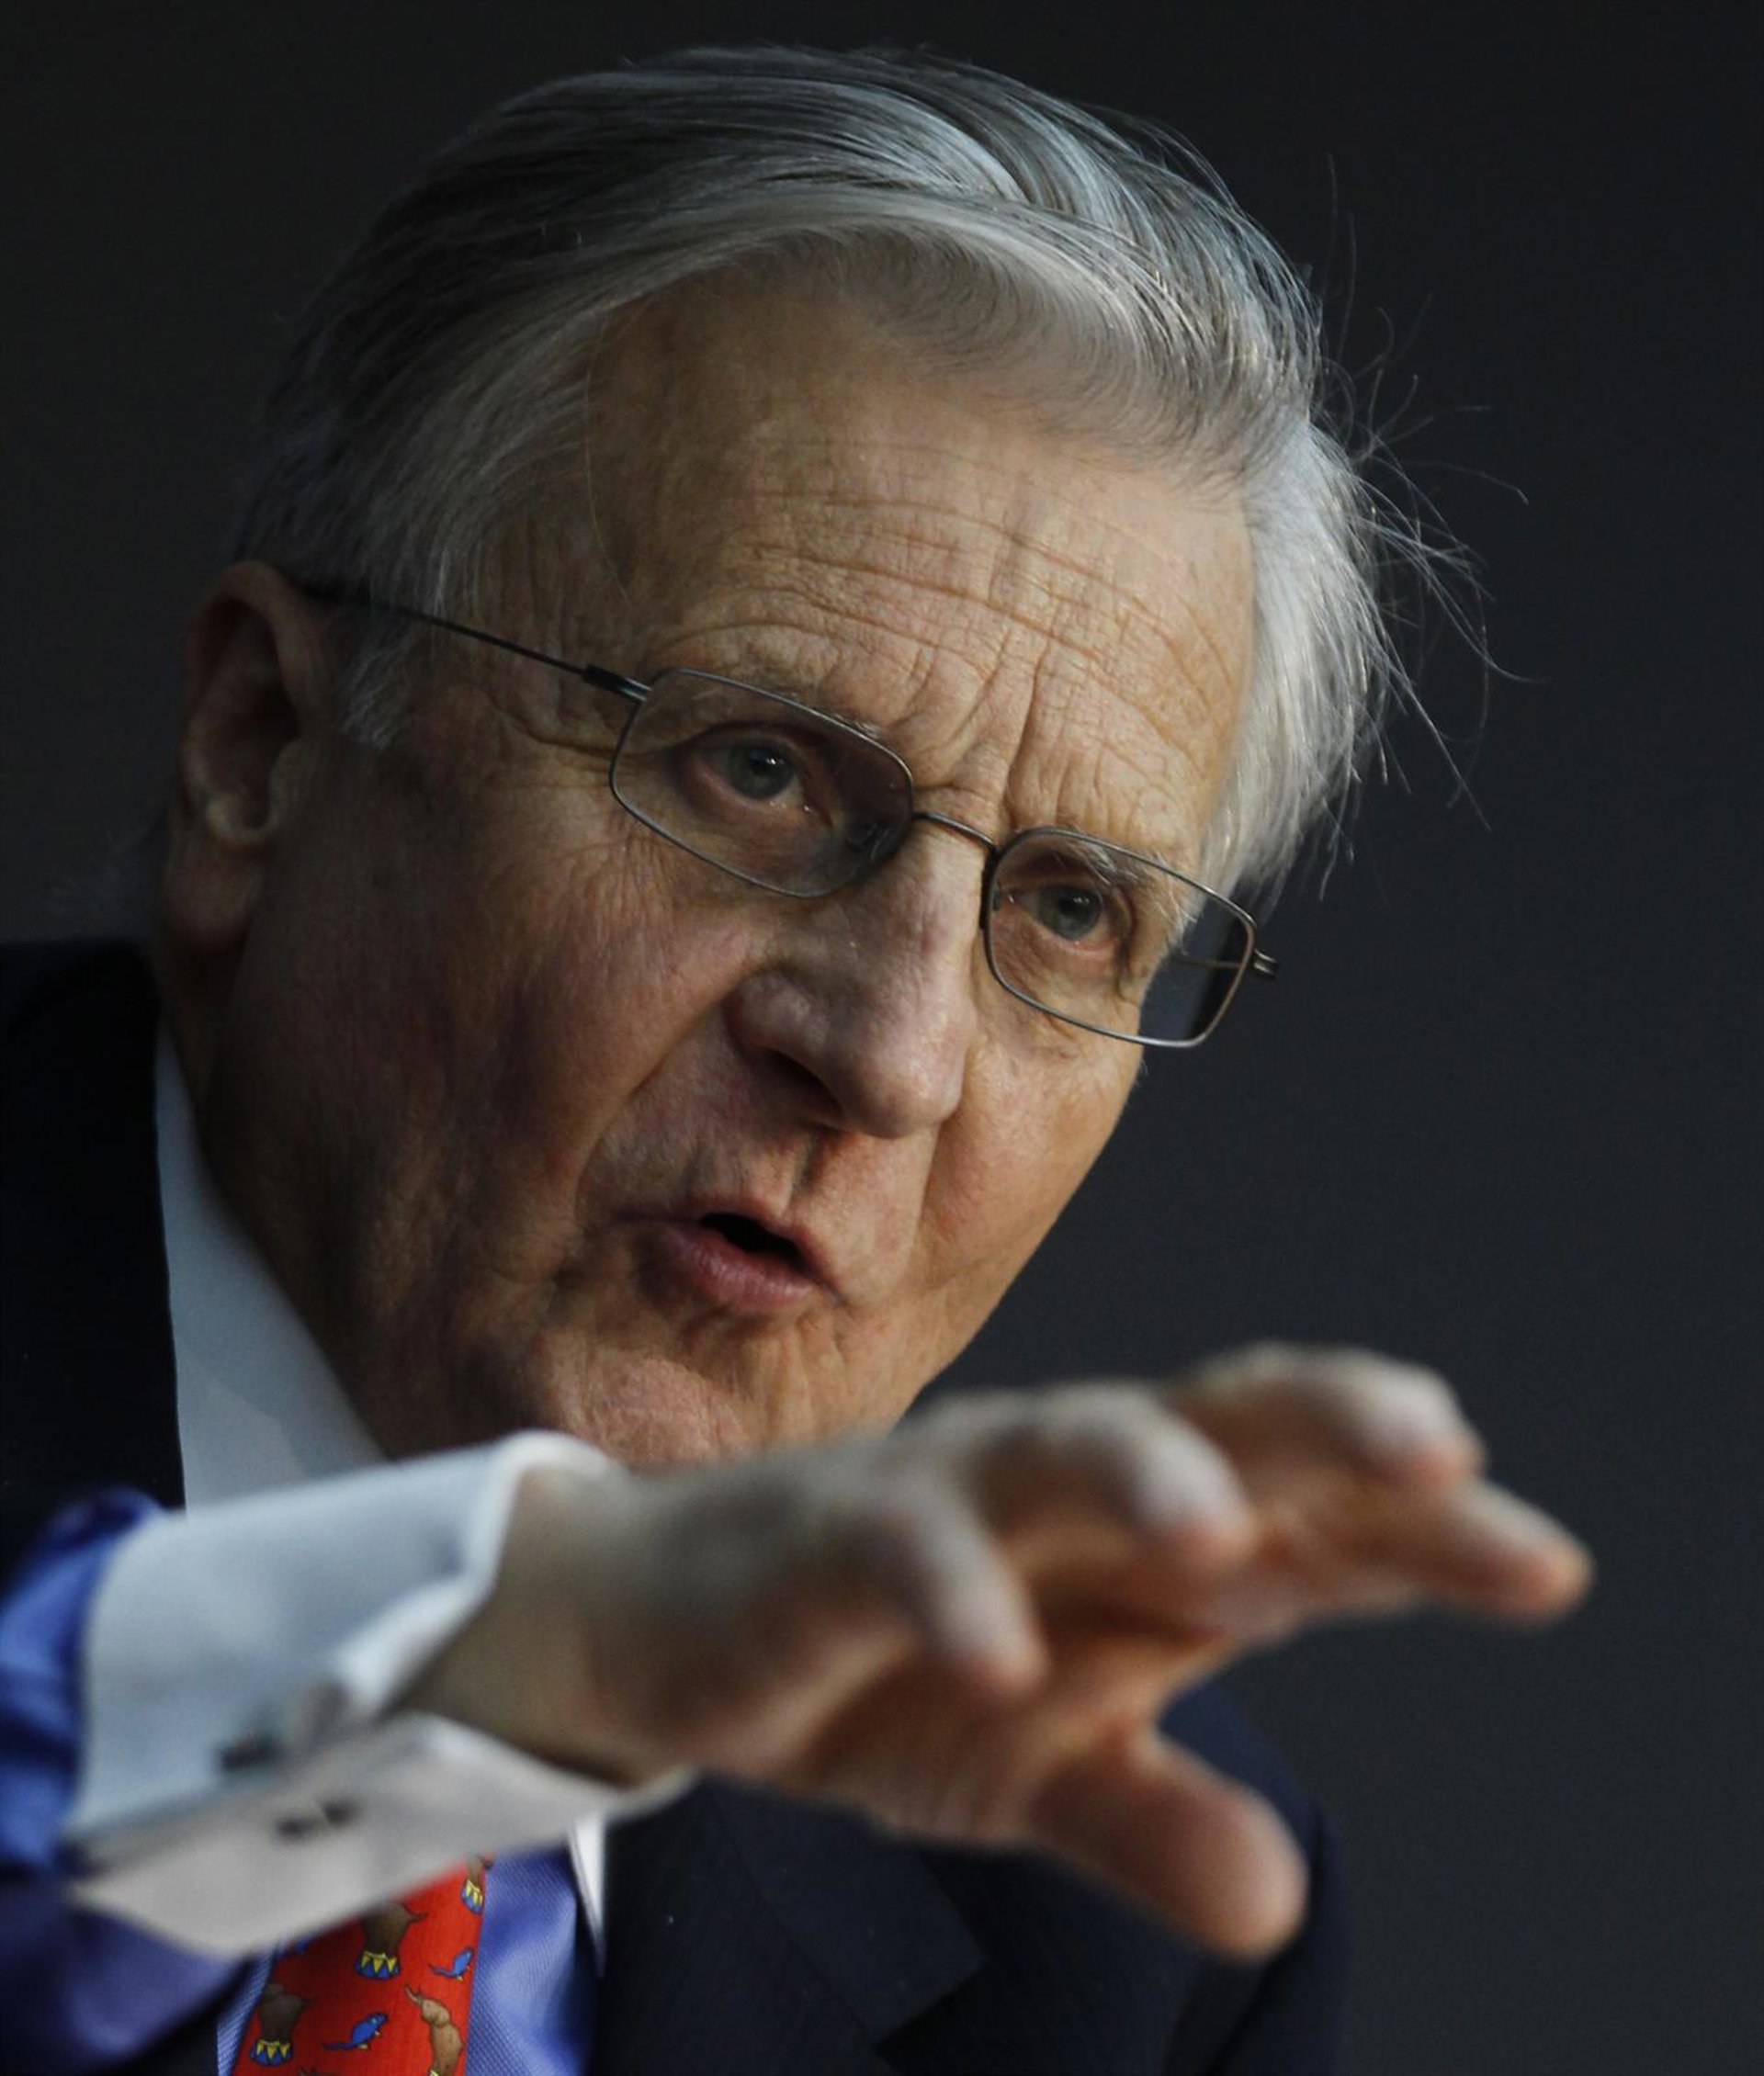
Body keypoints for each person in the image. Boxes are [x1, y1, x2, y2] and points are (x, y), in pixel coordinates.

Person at [0, 45, 1590, 2076]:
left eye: (1070, 909)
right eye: (755, 771)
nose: (894, 1053)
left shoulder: (1112, 1930)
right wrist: (447, 1667)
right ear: (264, 747)